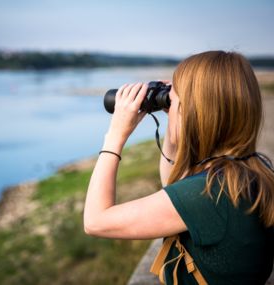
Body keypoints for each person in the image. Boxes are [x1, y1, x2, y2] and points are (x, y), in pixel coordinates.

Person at [83, 50, 274, 285]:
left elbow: (95, 221)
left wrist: (115, 135)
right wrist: (174, 127)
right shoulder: (249, 171)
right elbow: (174, 184)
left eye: (173, 102)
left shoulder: (208, 193)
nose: (169, 106)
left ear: (195, 112)